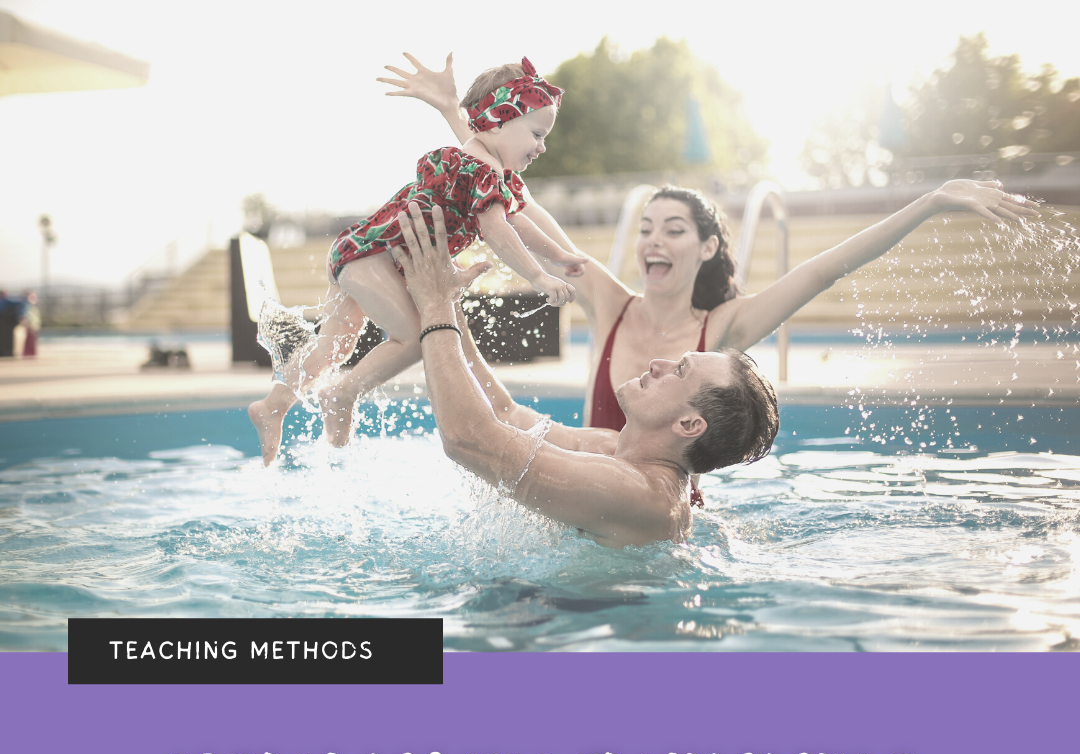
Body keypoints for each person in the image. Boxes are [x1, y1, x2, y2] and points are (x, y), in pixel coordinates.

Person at [380, 53, 1040, 430]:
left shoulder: (722, 331)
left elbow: (823, 270)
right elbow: (515, 200)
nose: (652, 242)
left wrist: (926, 204)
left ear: (705, 248)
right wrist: (456, 116)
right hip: (575, 500)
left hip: (651, 525)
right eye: (645, 229)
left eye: (672, 230)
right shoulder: (608, 305)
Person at [248, 57, 586, 466]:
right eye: (536, 133)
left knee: (335, 345)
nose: (542, 146)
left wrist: (561, 256)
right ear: (498, 121)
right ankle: (341, 395)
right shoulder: (477, 168)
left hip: (359, 252)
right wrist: (537, 276)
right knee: (414, 340)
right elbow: (499, 231)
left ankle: (273, 405)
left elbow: (518, 222)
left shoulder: (489, 171)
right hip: (373, 257)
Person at [391, 200, 778, 547]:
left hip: (580, 618)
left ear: (690, 425)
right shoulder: (616, 450)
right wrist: (448, 300)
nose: (659, 364)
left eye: (679, 370)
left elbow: (469, 441)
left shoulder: (636, 493)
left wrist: (434, 304)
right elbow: (505, 415)